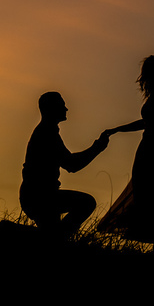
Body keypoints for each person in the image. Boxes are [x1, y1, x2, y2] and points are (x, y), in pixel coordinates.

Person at [96, 55, 154, 254]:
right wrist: (118, 129)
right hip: (148, 146)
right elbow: (146, 123)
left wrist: (117, 130)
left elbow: (150, 124)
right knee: (145, 193)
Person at [19, 91, 111, 239]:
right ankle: (59, 239)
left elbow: (70, 163)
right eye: (62, 105)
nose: (66, 109)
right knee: (86, 203)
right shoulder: (47, 133)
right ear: (52, 108)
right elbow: (72, 164)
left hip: (37, 195)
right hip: (41, 197)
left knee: (49, 235)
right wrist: (98, 147)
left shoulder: (47, 131)